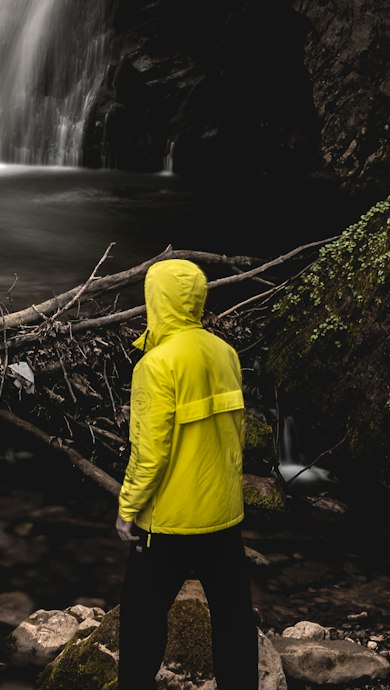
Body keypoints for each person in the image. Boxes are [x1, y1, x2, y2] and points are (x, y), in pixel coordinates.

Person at [114, 257, 258, 690]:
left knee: (140, 620)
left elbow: (150, 452)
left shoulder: (156, 365)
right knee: (234, 619)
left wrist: (128, 509)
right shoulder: (225, 353)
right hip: (224, 514)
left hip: (170, 522)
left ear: (156, 301)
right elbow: (237, 434)